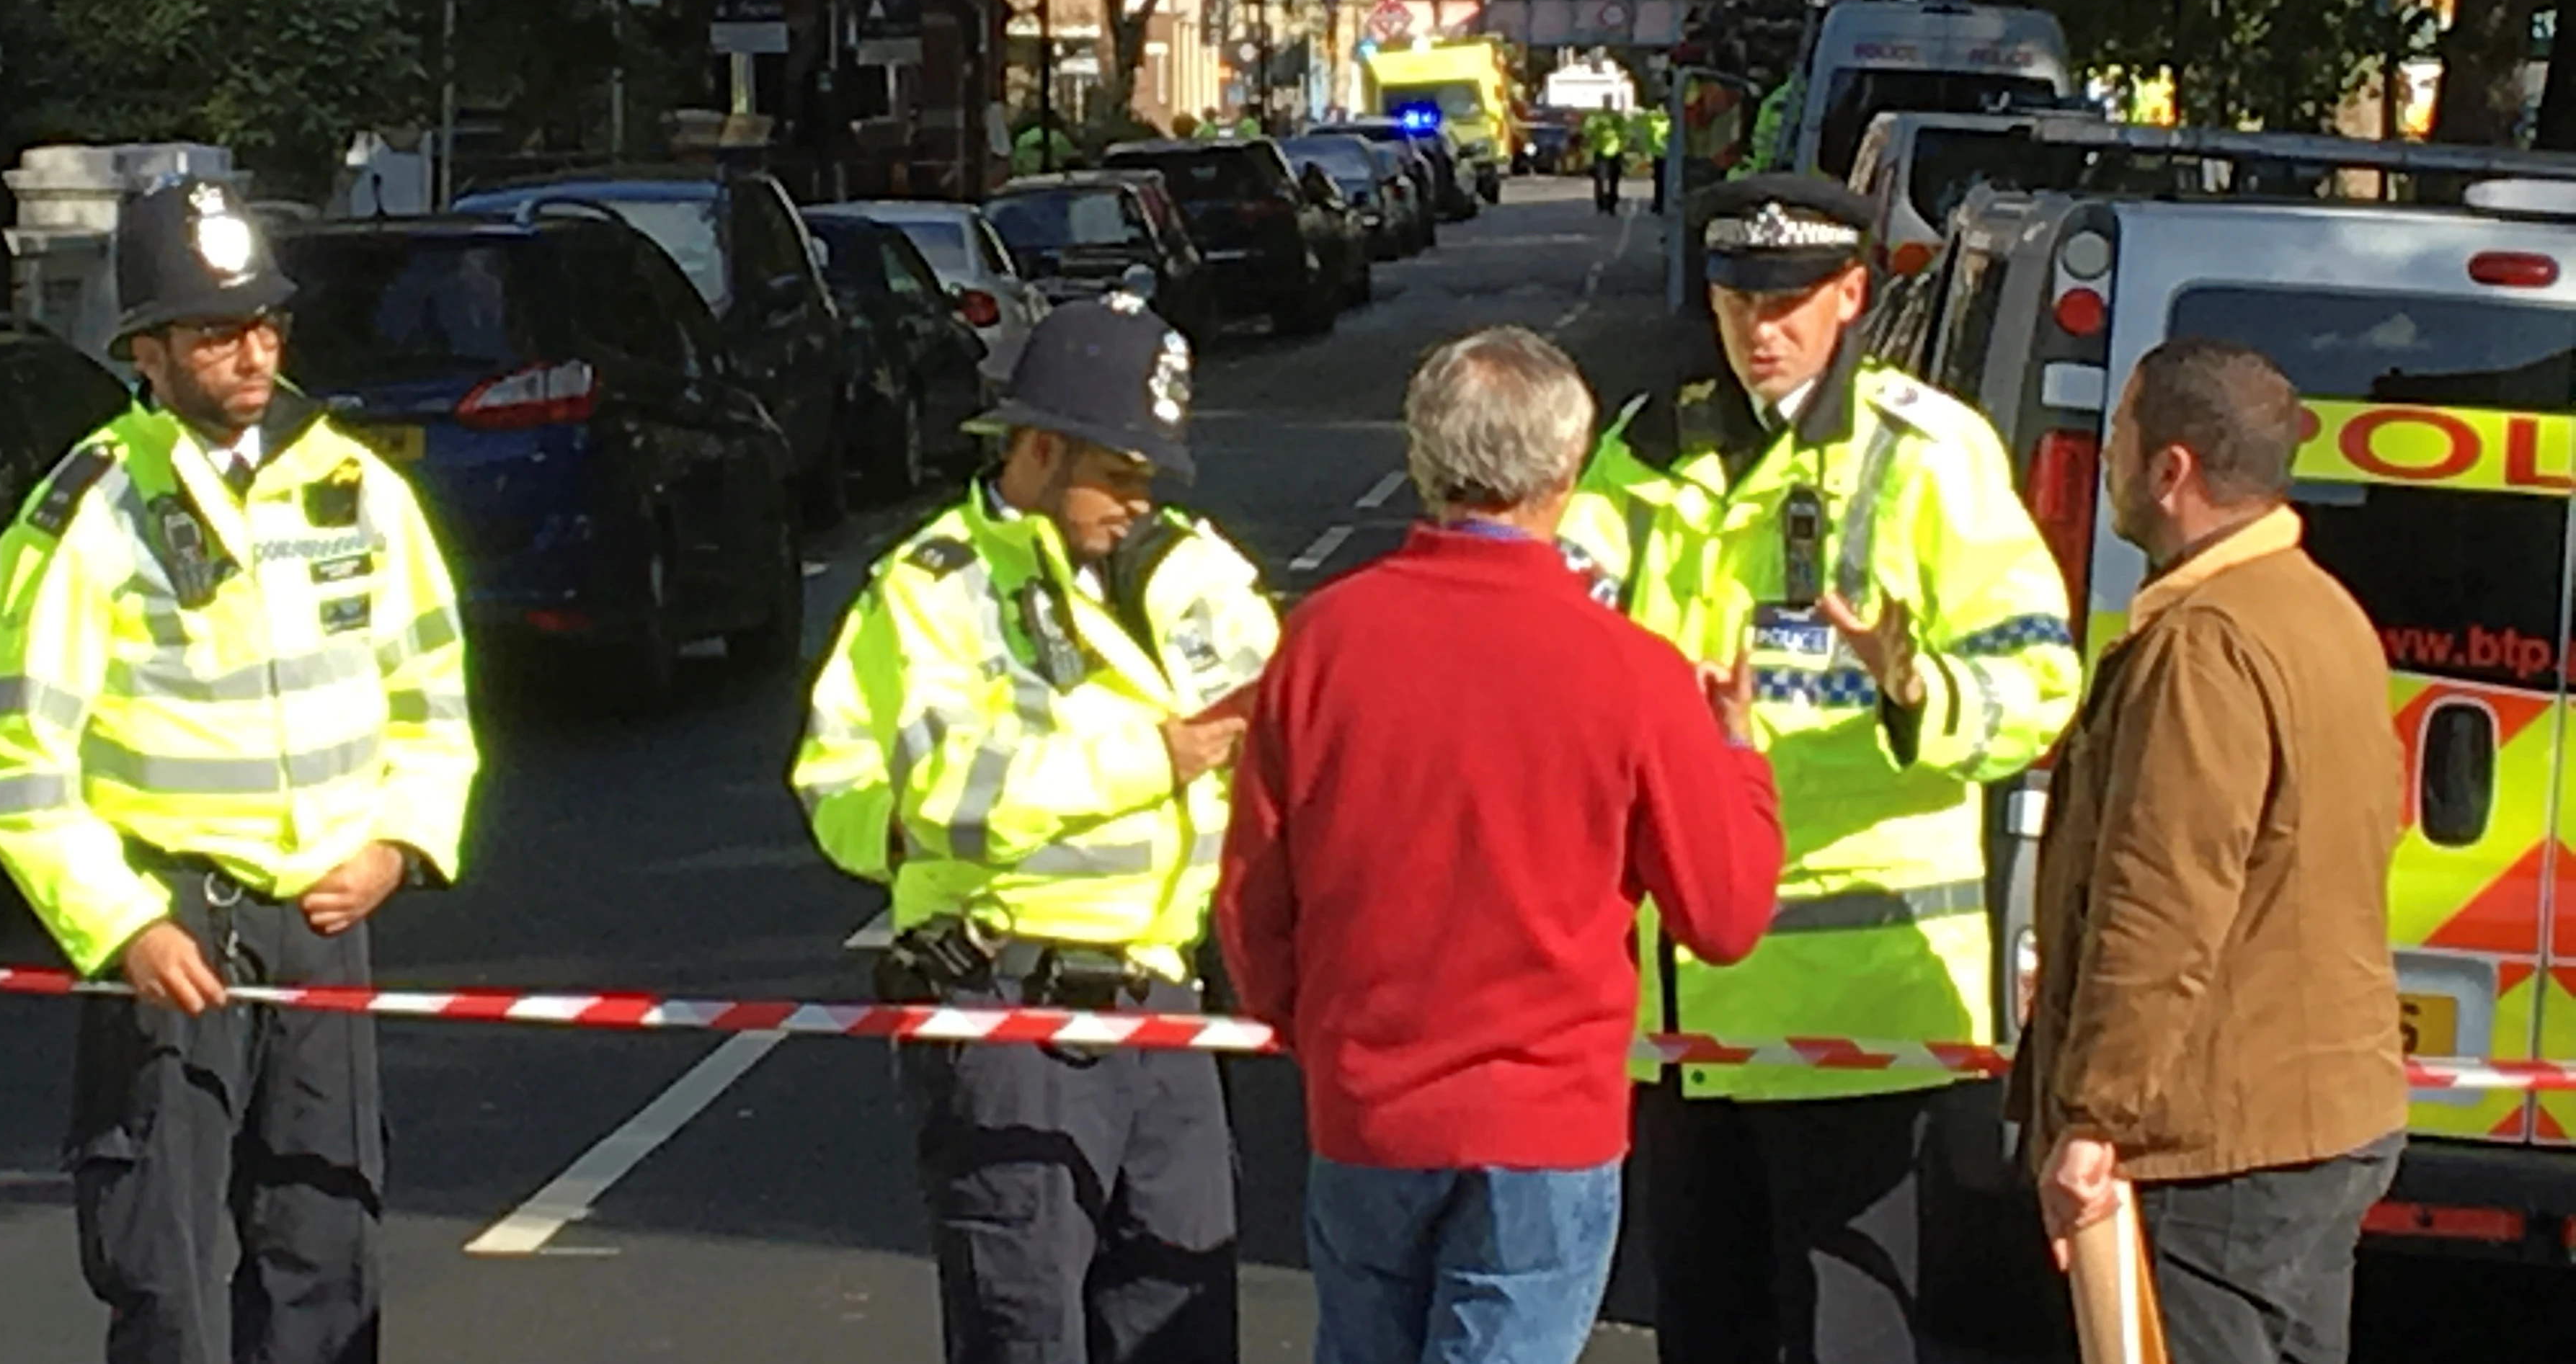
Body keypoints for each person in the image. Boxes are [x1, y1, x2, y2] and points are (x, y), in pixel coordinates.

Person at [1558, 172, 2084, 1364]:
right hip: (1678, 999)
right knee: (1705, 1319)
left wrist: (1919, 689)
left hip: (1856, 1001)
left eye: (1792, 298)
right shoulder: (1649, 445)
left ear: (1851, 294)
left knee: (1846, 1331)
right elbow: (1562, 627)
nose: (1764, 325)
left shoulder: (1927, 454)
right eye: (1741, 294)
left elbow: (2039, 684)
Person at [0, 179, 479, 1364]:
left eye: (265, 324)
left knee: (327, 1242)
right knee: (163, 1267)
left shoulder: (355, 487)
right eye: (214, 331)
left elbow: (433, 690)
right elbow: (18, 758)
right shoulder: (89, 507)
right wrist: (123, 925)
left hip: (320, 919)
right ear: (147, 351)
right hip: (173, 925)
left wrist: (398, 840)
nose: (251, 352)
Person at [1219, 327, 1785, 1364]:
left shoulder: (1323, 642)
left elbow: (1256, 889)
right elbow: (1725, 915)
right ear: (1568, 474)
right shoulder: (1635, 672)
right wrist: (1741, 759)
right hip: (1544, 1125)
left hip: (1367, 1110)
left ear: (1421, 459)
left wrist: (1316, 1032)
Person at [791, 295, 1280, 1364]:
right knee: (1024, 1334)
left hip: (1164, 1001)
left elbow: (1283, 730)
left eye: (1153, 474)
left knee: (1184, 1323)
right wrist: (1158, 757)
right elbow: (941, 796)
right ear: (1040, 448)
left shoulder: (1188, 566)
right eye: (1121, 471)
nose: (1139, 500)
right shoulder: (935, 592)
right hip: (1008, 1008)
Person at [2022, 339, 2405, 1363]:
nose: (2107, 461)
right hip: (2324, 1116)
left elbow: (2163, 904)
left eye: (2120, 437)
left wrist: (2095, 1120)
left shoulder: (2203, 643)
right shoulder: (2322, 609)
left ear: (2171, 469)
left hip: (2214, 1141)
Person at [1588, 107, 1629, 212]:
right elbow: (1588, 131)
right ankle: (1603, 203)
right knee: (1602, 179)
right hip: (1601, 150)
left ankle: (1610, 203)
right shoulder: (1597, 118)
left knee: (1611, 179)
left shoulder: (1616, 118)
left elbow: (1624, 133)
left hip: (1613, 150)